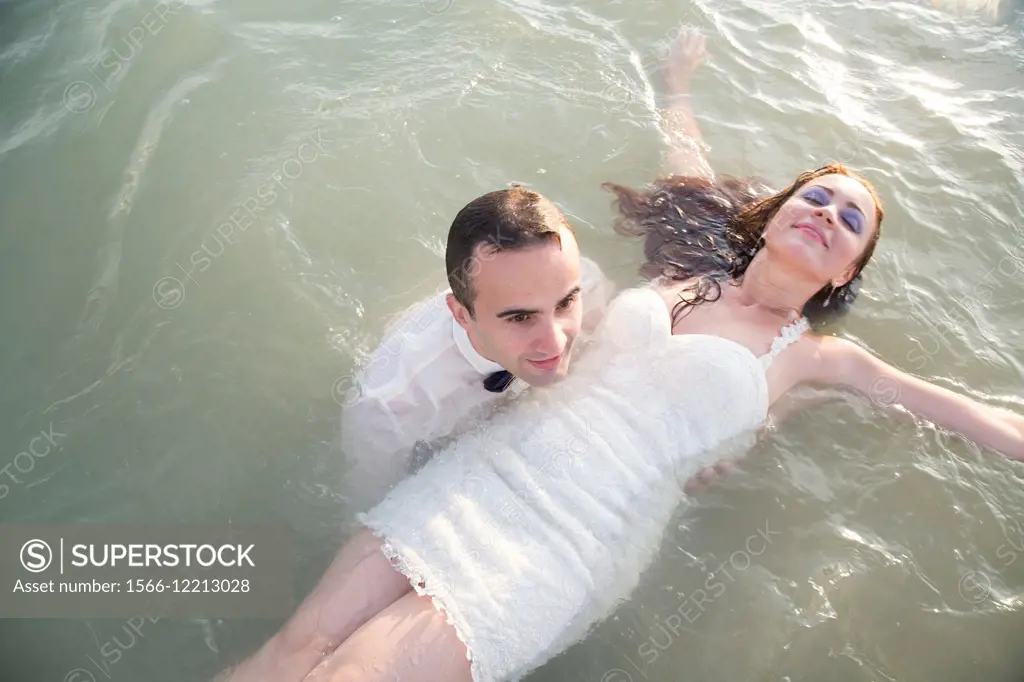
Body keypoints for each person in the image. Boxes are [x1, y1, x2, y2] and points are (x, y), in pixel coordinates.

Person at [218, 33, 1024, 682]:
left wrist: (773, 417)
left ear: (846, 270)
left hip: (579, 540)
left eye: (850, 220)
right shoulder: (685, 271)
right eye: (816, 195)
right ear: (776, 213)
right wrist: (677, 82)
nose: (826, 212)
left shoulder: (818, 358)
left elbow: (966, 415)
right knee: (294, 651)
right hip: (491, 470)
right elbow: (686, 155)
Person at [338, 184, 616, 514]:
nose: (556, 342)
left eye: (566, 303)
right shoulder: (389, 410)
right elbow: (369, 511)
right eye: (521, 317)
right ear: (461, 315)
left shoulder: (587, 282)